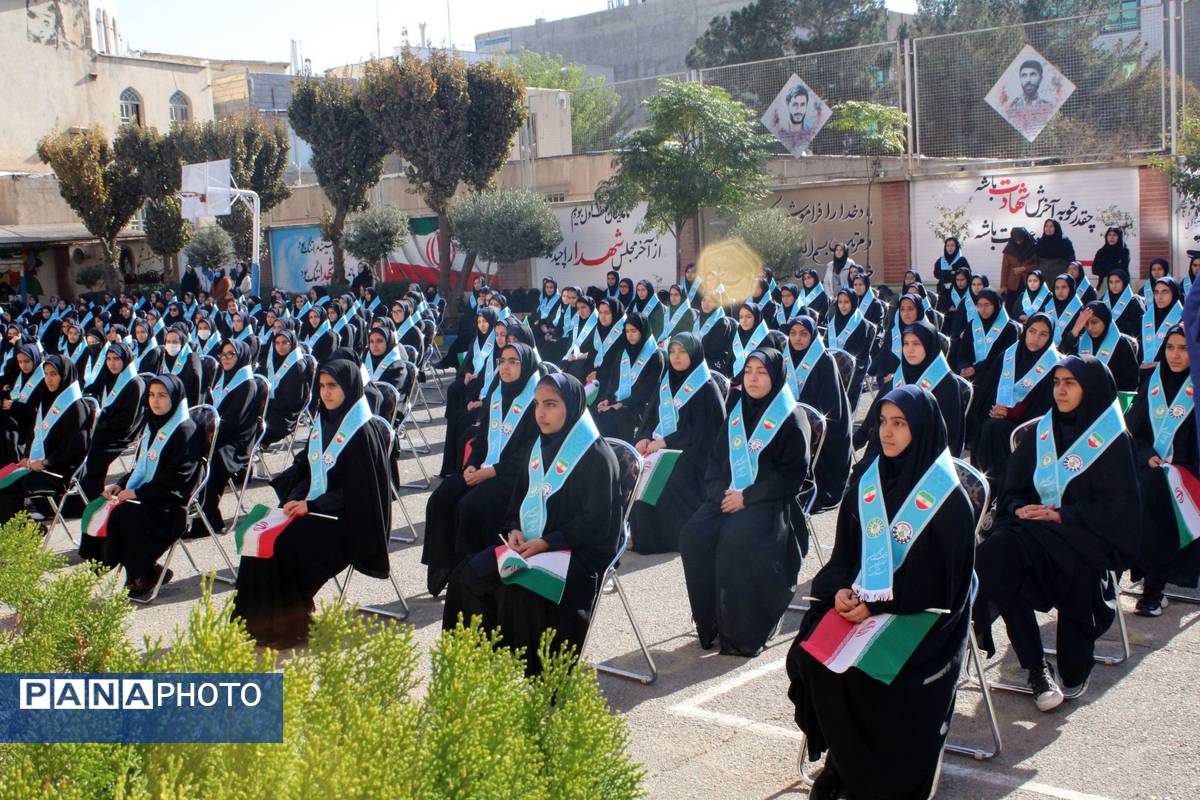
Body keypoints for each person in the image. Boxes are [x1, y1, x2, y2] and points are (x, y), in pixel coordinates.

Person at [786, 384, 974, 800]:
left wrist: (878, 603)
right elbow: (845, 556)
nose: (886, 432)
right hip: (865, 602)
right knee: (812, 654)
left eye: (899, 424)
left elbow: (942, 586)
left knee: (865, 675)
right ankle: (844, 762)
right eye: (883, 421)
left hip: (923, 616)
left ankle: (865, 777)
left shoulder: (949, 499)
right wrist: (840, 590)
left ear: (921, 429)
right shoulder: (868, 481)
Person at [974, 356, 1139, 710]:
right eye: (1056, 382)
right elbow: (1014, 487)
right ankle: (1036, 669)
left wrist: (1061, 515)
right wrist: (1020, 507)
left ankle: (1073, 665)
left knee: (1069, 567)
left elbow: (1116, 509)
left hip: (1086, 535)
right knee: (1000, 555)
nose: (1060, 391)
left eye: (1070, 383)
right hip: (1034, 530)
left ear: (1089, 389)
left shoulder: (1113, 438)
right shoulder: (1044, 430)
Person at [442, 373, 621, 676]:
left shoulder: (596, 455)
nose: (540, 413)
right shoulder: (540, 446)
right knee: (466, 575)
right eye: (537, 404)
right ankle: (472, 668)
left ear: (571, 406)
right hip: (531, 544)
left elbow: (597, 523)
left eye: (551, 404)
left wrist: (547, 542)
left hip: (576, 553)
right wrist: (514, 529)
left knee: (518, 592)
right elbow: (518, 500)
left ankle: (534, 679)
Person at [234, 360, 392, 647]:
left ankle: (291, 625)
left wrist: (314, 506)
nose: (326, 393)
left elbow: (359, 491)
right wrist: (296, 497)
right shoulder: (324, 420)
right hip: (314, 510)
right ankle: (255, 624)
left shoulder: (363, 431)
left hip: (348, 521)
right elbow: (308, 470)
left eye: (333, 386)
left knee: (285, 546)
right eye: (321, 386)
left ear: (349, 388)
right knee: (257, 535)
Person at [679, 349, 810, 657]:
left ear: (775, 377)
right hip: (728, 497)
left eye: (761, 372)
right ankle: (711, 619)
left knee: (736, 539)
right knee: (693, 536)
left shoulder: (791, 418)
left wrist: (746, 497)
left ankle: (744, 630)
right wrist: (720, 493)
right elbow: (715, 460)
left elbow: (791, 477)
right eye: (749, 370)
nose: (753, 378)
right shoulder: (737, 411)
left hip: (770, 503)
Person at [423, 342, 542, 597]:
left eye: (513, 362)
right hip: (483, 468)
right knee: (441, 497)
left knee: (470, 506)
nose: (506, 367)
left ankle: (468, 577)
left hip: (514, 477)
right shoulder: (496, 395)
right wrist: (471, 465)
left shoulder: (536, 402)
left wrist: (489, 472)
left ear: (526, 365)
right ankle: (443, 566)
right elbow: (481, 439)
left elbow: (528, 453)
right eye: (502, 361)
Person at [79, 375, 203, 599]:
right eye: (151, 395)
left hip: (170, 504)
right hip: (149, 496)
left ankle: (140, 575)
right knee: (98, 506)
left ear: (175, 398)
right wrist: (120, 485)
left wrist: (137, 493)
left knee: (123, 514)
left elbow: (177, 477)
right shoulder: (153, 424)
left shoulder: (186, 430)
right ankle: (138, 571)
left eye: (162, 395)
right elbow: (141, 467)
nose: (155, 401)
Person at [1124, 326, 1200, 616]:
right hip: (1152, 468)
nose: (1175, 355)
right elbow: (1133, 431)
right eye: (1170, 347)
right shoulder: (1153, 383)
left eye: (1183, 348)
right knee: (1145, 487)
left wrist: (1179, 467)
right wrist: (1147, 455)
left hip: (1190, 473)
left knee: (1157, 491)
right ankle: (1151, 586)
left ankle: (1153, 590)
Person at [628, 333, 726, 554]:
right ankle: (643, 535)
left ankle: (667, 538)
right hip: (662, 447)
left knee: (666, 474)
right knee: (640, 468)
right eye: (672, 351)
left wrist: (666, 442)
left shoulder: (706, 387)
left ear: (694, 354)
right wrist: (644, 436)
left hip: (694, 456)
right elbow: (650, 416)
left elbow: (704, 433)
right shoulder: (667, 381)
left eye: (682, 352)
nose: (676, 357)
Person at [973, 313, 1059, 502]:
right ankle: (984, 489)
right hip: (998, 420)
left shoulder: (1054, 365)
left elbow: (1046, 407)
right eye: (1032, 331)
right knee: (989, 426)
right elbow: (987, 391)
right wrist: (993, 409)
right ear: (1025, 331)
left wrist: (1011, 413)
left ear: (1050, 337)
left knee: (994, 429)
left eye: (1043, 334)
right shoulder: (1009, 356)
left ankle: (1004, 490)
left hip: (1030, 427)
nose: (1036, 338)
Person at [0, 356, 90, 524]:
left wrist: (46, 462)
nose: (48, 379)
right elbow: (34, 434)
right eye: (46, 374)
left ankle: (21, 531)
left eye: (53, 374)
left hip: (59, 472)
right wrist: (26, 456)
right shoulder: (47, 399)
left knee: (8, 488)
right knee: (3, 477)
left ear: (64, 375)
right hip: (40, 465)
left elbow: (75, 448)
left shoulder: (77, 407)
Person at [858, 320, 965, 458]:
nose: (910, 349)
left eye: (916, 344)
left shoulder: (947, 383)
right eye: (906, 343)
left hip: (924, 458)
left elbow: (950, 438)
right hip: (888, 452)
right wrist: (860, 436)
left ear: (929, 345)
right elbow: (876, 413)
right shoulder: (901, 373)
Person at [191, 339, 259, 537]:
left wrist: (206, 435)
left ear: (242, 356)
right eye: (223, 354)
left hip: (237, 441)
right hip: (219, 433)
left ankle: (204, 523)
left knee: (214, 460)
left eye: (231, 354)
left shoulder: (247, 384)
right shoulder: (223, 377)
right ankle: (211, 516)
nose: (225, 358)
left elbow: (234, 421)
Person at [784, 317, 852, 510]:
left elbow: (831, 409)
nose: (797, 338)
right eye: (793, 333)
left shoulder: (825, 362)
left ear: (813, 336)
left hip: (823, 431)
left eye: (803, 334)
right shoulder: (785, 358)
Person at [593, 312, 664, 442]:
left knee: (616, 417)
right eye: (627, 331)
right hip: (618, 403)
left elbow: (647, 391)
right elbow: (613, 381)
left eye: (634, 331)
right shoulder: (623, 352)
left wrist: (622, 404)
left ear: (642, 331)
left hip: (638, 407)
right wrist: (608, 399)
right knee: (598, 412)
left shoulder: (655, 356)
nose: (630, 335)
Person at [1059, 302, 1140, 392]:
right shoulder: (1081, 341)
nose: (1090, 328)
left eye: (1094, 322)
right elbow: (1062, 354)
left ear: (1105, 321)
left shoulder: (1121, 343)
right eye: (1086, 323)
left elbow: (1131, 381)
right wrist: (1076, 329)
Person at [825, 289, 875, 411]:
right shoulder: (833, 322)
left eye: (846, 302)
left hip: (853, 367)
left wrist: (839, 362)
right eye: (840, 302)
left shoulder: (862, 324)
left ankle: (844, 412)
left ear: (853, 302)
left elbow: (860, 353)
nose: (843, 305)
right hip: (832, 365)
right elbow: (825, 346)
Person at [260, 330, 310, 449]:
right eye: (277, 343)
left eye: (284, 342)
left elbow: (295, 401)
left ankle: (256, 448)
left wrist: (269, 404)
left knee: (261, 427)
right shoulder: (275, 360)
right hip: (272, 406)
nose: (280, 346)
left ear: (292, 343)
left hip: (287, 413)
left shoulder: (297, 366)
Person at [1140, 277, 1183, 368]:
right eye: (1156, 292)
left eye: (1164, 292)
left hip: (1170, 372)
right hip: (1144, 372)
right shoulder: (1145, 318)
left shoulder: (1183, 321)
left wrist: (1158, 364)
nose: (1159, 297)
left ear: (1174, 293)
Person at [560, 295, 600, 383]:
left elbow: (597, 349)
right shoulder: (578, 323)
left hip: (588, 359)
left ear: (591, 307)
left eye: (583, 307)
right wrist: (570, 355)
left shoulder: (599, 324)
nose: (580, 311)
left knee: (575, 368)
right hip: (574, 357)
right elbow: (571, 342)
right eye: (578, 308)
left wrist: (578, 356)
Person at [729, 302, 770, 383]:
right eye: (741, 317)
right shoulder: (737, 335)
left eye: (748, 317)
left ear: (756, 317)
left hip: (756, 383)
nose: (744, 320)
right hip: (735, 383)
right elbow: (730, 361)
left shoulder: (766, 339)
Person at [1001, 227, 1038, 310]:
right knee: (1010, 308)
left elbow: (1038, 265)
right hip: (1012, 284)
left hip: (1029, 282)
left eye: (1020, 239)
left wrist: (1024, 268)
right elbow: (1005, 268)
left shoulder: (1033, 248)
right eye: (1016, 240)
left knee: (1026, 307)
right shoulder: (1009, 249)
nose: (1018, 242)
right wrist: (1003, 285)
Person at [1044, 273, 1085, 347]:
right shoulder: (1047, 306)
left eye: (1064, 287)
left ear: (1071, 288)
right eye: (1057, 288)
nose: (1060, 291)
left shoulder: (1079, 309)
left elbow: (1081, 336)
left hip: (1071, 350)